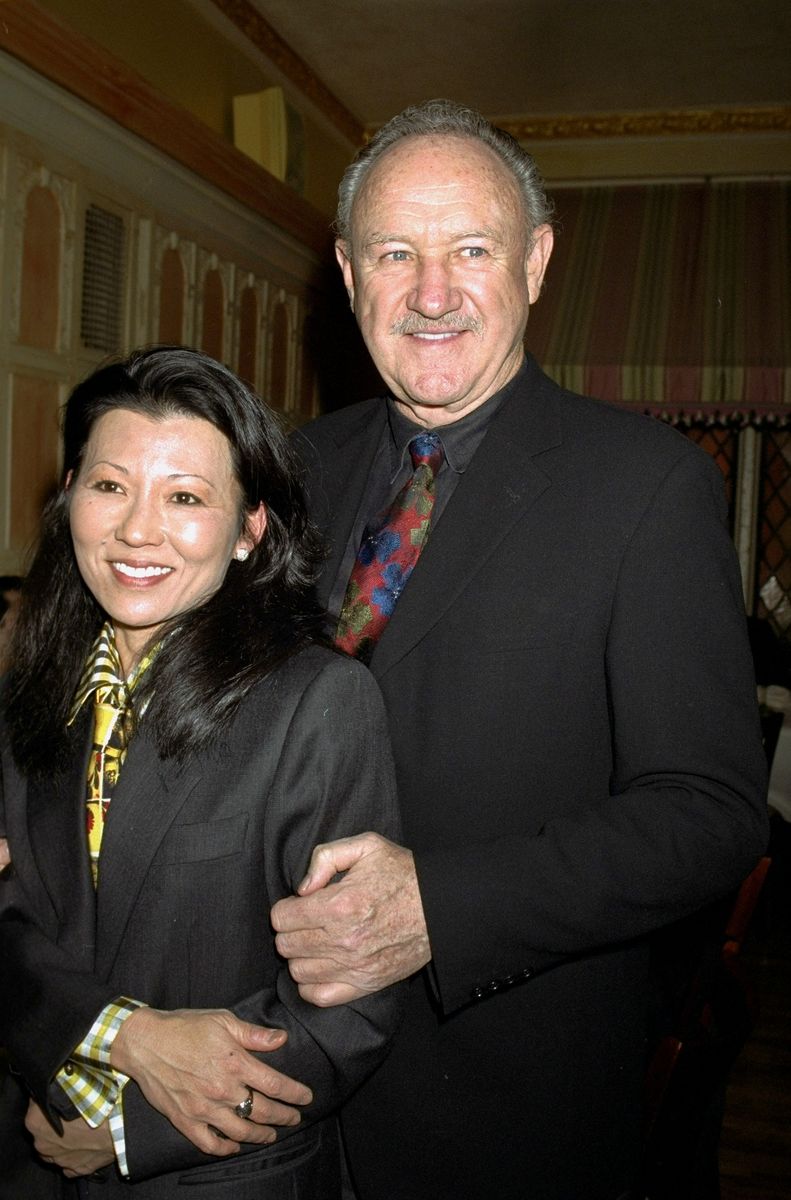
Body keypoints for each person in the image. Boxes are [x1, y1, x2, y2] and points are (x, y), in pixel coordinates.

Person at [269, 100, 770, 1200]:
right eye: (396, 252)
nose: (432, 292)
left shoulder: (647, 487)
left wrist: (437, 911)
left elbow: (707, 811)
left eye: (471, 249)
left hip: (499, 1109)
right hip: (272, 1091)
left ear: (535, 262)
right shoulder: (289, 469)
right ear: (349, 272)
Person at [0, 347, 401, 1199]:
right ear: (70, 493)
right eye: (110, 487)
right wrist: (117, 1035)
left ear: (251, 528)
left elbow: (347, 1012)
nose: (137, 530)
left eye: (185, 497)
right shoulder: (30, 684)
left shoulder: (317, 704)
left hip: (217, 1175)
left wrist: (119, 1129)